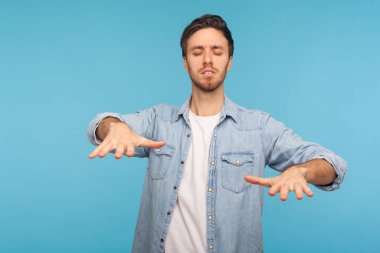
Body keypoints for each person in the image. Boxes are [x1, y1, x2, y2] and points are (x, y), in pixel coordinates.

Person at [86, 14, 347, 253]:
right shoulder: (158, 120)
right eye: (197, 52)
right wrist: (115, 127)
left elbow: (333, 165)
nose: (208, 59)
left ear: (229, 61)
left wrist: (302, 171)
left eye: (217, 51)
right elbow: (102, 123)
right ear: (185, 63)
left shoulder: (258, 127)